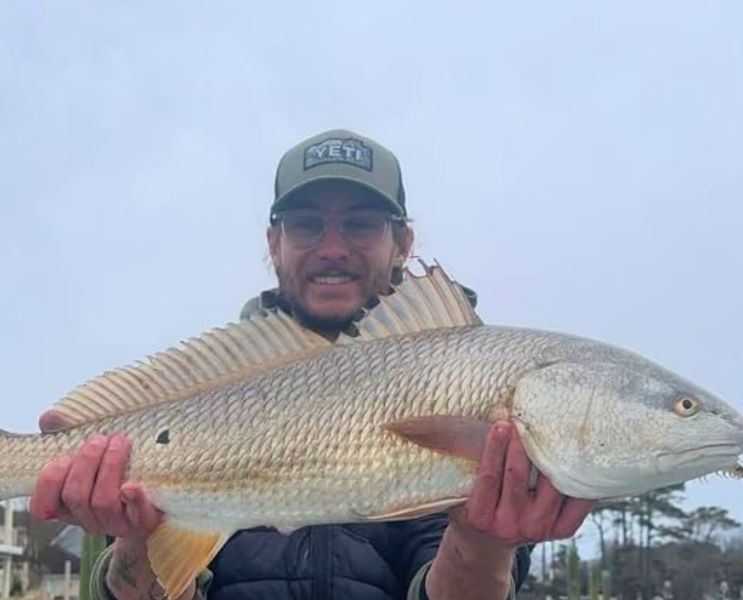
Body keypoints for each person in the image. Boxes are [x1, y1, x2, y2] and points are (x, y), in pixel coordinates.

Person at [30, 129, 594, 600]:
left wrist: (483, 541)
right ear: (274, 243)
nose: (331, 246)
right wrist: (135, 541)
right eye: (305, 224)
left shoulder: (458, 384)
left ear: (403, 241)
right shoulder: (204, 388)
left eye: (360, 224)